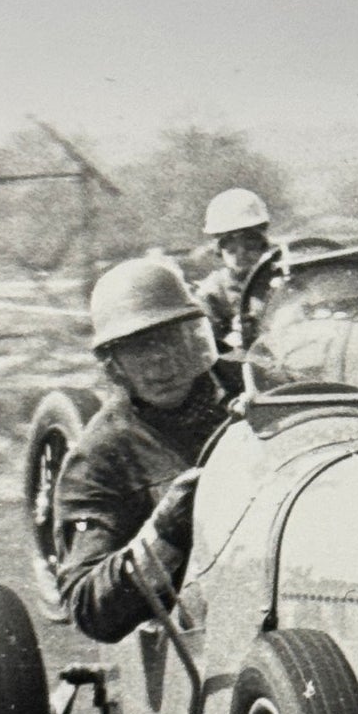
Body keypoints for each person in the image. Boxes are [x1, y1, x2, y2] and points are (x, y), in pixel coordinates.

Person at [54, 257, 234, 642]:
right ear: (114, 364)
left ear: (193, 335)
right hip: (202, 632)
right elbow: (86, 605)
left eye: (168, 339)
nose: (159, 362)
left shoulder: (259, 383)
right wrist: (164, 533)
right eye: (137, 348)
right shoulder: (100, 455)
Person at [194, 187, 278, 352]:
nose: (241, 254)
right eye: (230, 246)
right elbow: (207, 348)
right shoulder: (213, 292)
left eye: (250, 244)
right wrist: (231, 341)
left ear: (263, 244)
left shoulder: (283, 277)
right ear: (219, 249)